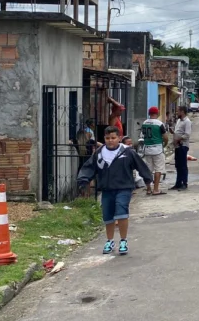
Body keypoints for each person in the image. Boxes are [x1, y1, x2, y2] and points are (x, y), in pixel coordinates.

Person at [77, 126, 153, 256]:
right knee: (108, 215)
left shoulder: (127, 152)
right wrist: (84, 180)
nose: (110, 141)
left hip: (124, 187)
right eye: (107, 138)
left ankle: (123, 240)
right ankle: (110, 240)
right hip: (107, 188)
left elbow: (141, 165)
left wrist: (148, 181)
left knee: (121, 211)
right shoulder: (100, 153)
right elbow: (89, 167)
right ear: (104, 139)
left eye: (113, 138)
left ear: (119, 138)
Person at [141, 106, 169, 196]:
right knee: (158, 169)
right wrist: (164, 144)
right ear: (157, 113)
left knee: (148, 169)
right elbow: (165, 137)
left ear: (149, 114)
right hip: (157, 149)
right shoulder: (159, 124)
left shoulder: (144, 123)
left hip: (147, 149)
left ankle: (148, 189)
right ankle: (156, 189)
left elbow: (142, 135)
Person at [170, 106, 192, 191]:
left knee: (183, 165)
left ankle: (184, 183)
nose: (177, 113)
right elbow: (178, 132)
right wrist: (173, 133)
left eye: (178, 111)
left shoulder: (187, 122)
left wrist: (178, 139)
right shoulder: (179, 120)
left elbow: (187, 134)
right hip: (177, 146)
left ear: (182, 112)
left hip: (183, 145)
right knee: (178, 165)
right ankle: (178, 183)